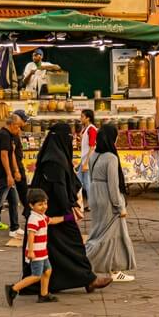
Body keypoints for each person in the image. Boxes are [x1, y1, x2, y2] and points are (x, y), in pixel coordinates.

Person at [24, 123, 112, 293]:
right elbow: (59, 188)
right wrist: (69, 208)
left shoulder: (54, 157)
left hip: (51, 213)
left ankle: (80, 279)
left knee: (56, 250)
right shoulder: (54, 161)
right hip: (56, 214)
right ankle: (88, 279)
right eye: (69, 137)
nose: (71, 140)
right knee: (74, 245)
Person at [84, 123, 137, 282]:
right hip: (108, 198)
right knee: (109, 235)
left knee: (99, 232)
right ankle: (104, 268)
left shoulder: (94, 154)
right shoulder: (111, 158)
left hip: (95, 196)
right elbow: (113, 185)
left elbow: (92, 177)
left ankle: (112, 268)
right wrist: (119, 206)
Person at [5, 188, 65, 305]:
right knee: (36, 276)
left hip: (43, 252)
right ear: (31, 206)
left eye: (45, 203)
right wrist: (31, 251)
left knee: (47, 271)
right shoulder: (33, 219)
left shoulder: (41, 216)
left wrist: (67, 218)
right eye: (40, 204)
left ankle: (44, 294)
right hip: (36, 253)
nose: (44, 206)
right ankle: (13, 289)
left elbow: (52, 220)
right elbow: (30, 236)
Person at [0, 109, 29, 232]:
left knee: (8, 198)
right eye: (22, 122)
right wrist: (14, 171)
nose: (22, 126)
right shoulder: (8, 134)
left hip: (6, 170)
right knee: (6, 198)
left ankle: (12, 226)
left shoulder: (6, 132)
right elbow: (6, 154)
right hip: (10, 170)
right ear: (15, 123)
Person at [77, 109, 98, 208]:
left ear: (88, 118)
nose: (80, 118)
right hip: (84, 159)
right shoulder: (85, 129)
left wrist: (86, 163)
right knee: (80, 181)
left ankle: (91, 203)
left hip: (88, 160)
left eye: (82, 116)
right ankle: (79, 203)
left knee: (86, 182)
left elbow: (92, 147)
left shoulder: (92, 129)